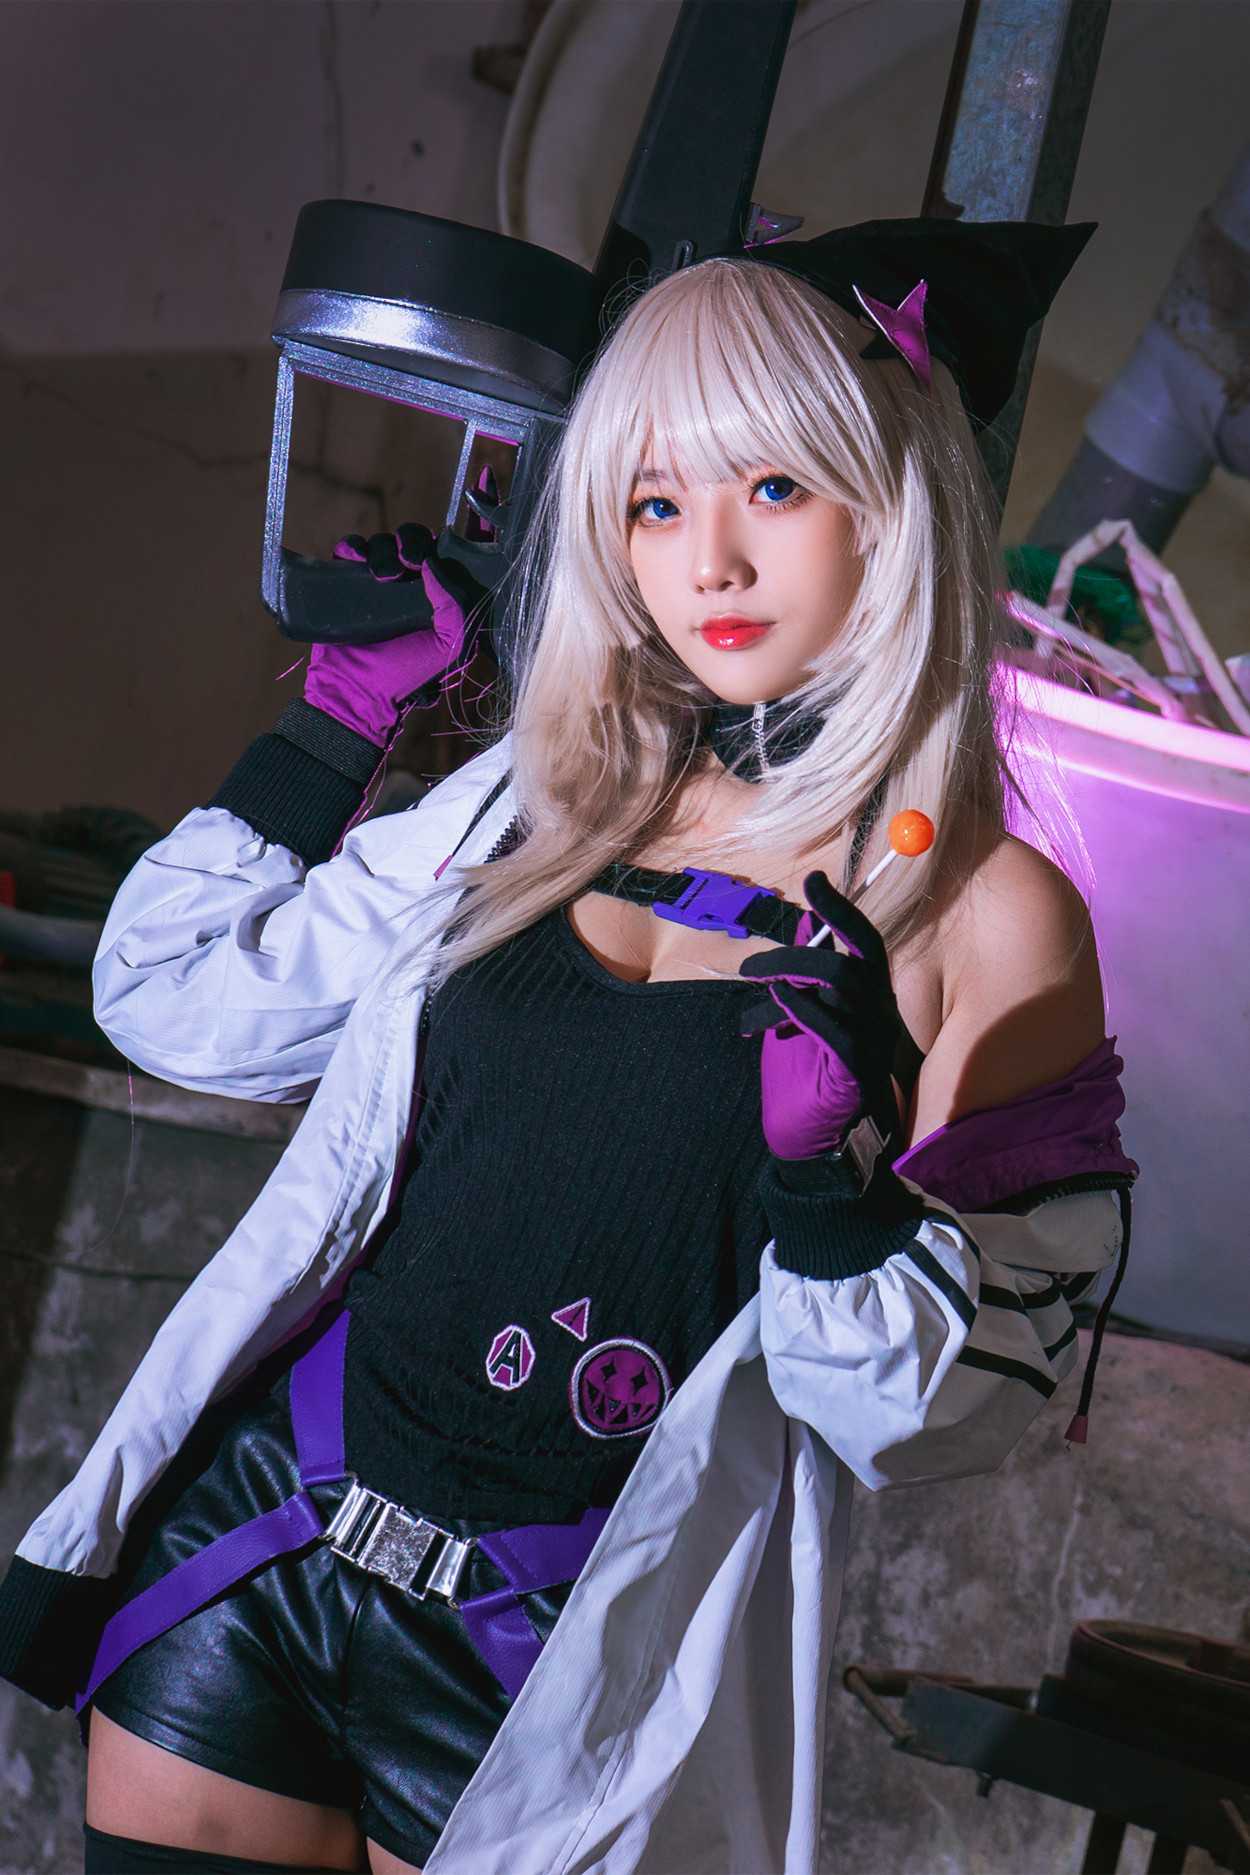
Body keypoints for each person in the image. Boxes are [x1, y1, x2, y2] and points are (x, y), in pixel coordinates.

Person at [0, 220, 1137, 1875]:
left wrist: (829, 1199)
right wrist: (332, 727)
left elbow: (943, 1419)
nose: (709, 563)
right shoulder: (547, 796)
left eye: (771, 487)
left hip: (551, 1669)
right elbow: (174, 1004)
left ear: (893, 502)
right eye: (654, 502)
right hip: (256, 1555)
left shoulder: (984, 913)